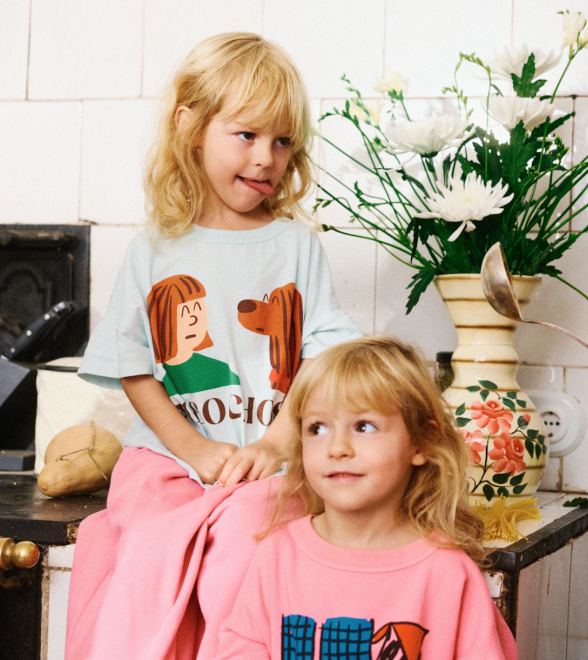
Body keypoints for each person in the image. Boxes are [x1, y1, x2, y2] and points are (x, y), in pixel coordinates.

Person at [66, 33, 362, 660]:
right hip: (166, 456)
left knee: (248, 544)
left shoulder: (296, 246)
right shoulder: (155, 247)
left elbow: (320, 362)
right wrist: (194, 449)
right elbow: (134, 368)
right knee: (148, 546)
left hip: (272, 456)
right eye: (247, 135)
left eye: (282, 141)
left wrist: (275, 445)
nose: (266, 158)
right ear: (191, 127)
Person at [215, 336, 517, 660]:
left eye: (364, 426)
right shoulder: (276, 554)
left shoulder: (447, 572)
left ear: (421, 442)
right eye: (317, 428)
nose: (337, 448)